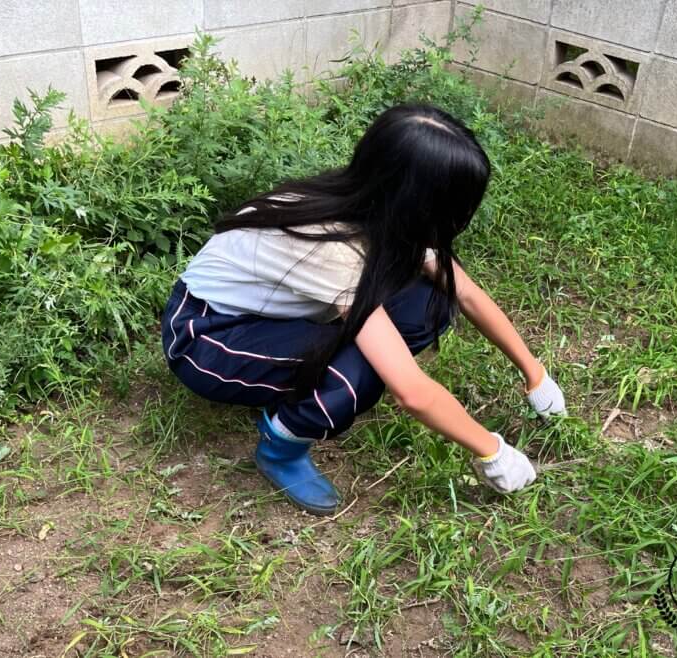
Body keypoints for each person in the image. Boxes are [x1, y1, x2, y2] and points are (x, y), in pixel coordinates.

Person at [161, 103, 566, 516]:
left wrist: (535, 375)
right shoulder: (330, 247)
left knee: (432, 301)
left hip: (272, 319)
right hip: (207, 338)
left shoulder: (377, 208)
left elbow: (466, 294)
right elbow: (410, 391)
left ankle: (291, 385)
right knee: (358, 373)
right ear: (416, 201)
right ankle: (280, 448)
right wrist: (491, 450)